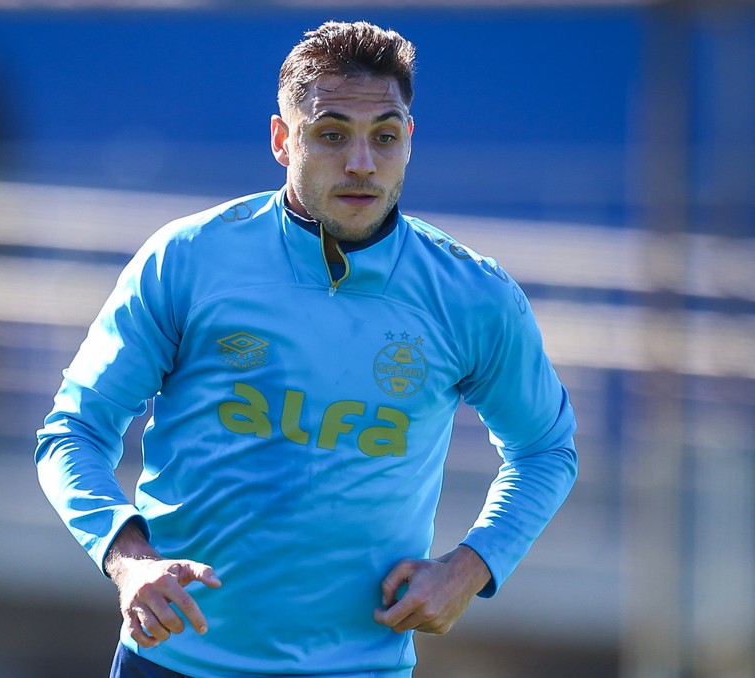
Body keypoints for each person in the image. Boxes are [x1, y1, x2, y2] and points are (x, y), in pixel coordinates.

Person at [36, 20, 578, 678]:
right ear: (281, 139)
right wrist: (129, 560)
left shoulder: (473, 296)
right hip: (177, 662)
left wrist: (473, 565)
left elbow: (545, 448)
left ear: (409, 141)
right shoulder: (188, 259)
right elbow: (75, 429)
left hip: (359, 668)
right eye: (330, 134)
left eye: (384, 136)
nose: (360, 162)